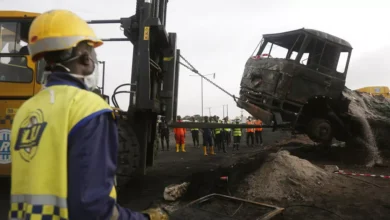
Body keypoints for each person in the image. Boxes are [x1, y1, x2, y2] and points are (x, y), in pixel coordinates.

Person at [8, 10, 167, 220]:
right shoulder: (88, 108)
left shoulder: (26, 111)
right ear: (84, 57)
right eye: (92, 51)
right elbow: (93, 209)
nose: (94, 58)